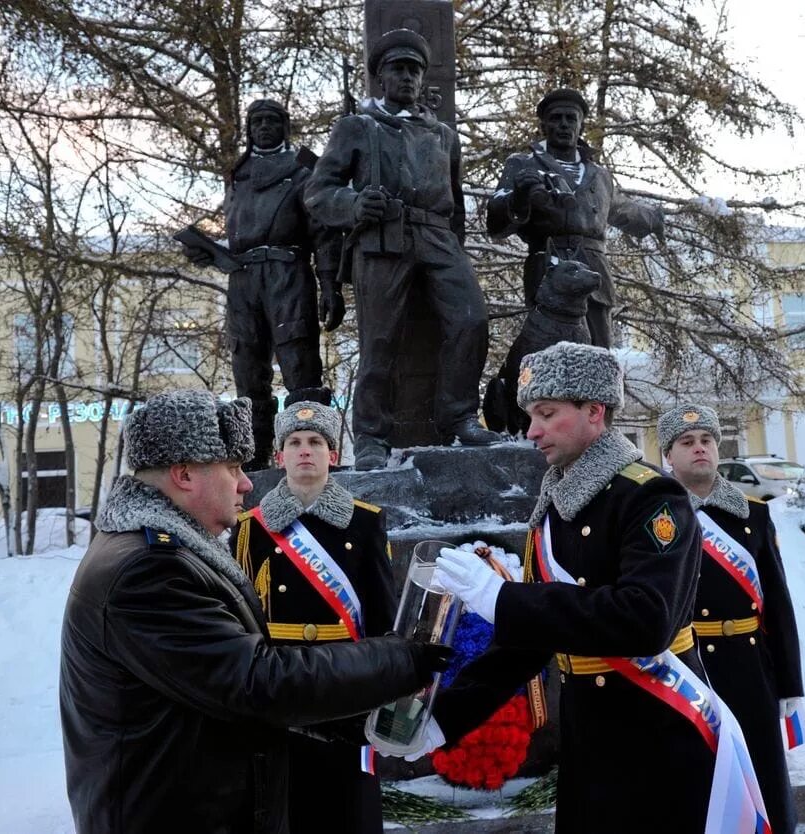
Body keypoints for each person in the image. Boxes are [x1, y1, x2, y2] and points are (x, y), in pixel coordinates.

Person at [60, 389, 449, 834]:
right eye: (232, 468)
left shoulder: (168, 552)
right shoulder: (148, 571)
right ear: (185, 474)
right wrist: (398, 659)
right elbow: (257, 681)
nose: (246, 483)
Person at [389, 341, 718, 832]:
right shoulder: (558, 502)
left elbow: (646, 619)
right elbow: (530, 641)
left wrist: (503, 598)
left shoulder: (650, 496)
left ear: (594, 411)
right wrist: (443, 719)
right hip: (589, 738)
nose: (531, 430)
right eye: (530, 415)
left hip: (655, 731)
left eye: (547, 413)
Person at [305, 28, 500, 470]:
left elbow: (455, 203)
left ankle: (459, 417)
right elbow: (318, 193)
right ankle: (373, 435)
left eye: (414, 69)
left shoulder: (443, 135)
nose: (408, 77)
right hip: (382, 238)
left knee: (471, 319)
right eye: (398, 69)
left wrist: (451, 247)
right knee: (379, 339)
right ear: (381, 77)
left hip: (436, 237)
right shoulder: (356, 127)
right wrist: (354, 204)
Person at [231, 399, 396, 834]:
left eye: (317, 442)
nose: (306, 450)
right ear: (279, 456)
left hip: (348, 685)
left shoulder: (366, 523)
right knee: (290, 805)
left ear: (333, 455)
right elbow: (241, 618)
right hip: (281, 684)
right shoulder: (251, 528)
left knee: (351, 808)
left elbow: (382, 617)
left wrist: (387, 683)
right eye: (296, 442)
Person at [659, 403, 805, 833]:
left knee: (762, 775)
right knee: (695, 776)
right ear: (669, 455)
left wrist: (789, 682)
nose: (699, 449)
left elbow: (778, 603)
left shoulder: (753, 515)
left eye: (706, 440)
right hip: (685, 667)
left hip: (749, 668)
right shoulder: (656, 515)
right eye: (687, 442)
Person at [181, 98, 343, 468]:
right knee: (248, 371)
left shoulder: (304, 171)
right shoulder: (238, 176)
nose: (264, 128)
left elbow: (323, 234)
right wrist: (210, 252)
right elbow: (239, 233)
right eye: (257, 123)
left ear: (284, 127)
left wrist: (330, 284)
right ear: (249, 130)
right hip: (243, 280)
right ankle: (253, 462)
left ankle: (311, 457)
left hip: (288, 274)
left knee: (301, 370)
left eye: (272, 121)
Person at [486, 89, 664, 348]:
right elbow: (496, 222)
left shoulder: (599, 175)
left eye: (571, 118)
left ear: (581, 124)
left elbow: (622, 210)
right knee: (547, 355)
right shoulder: (523, 164)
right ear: (543, 124)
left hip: (593, 271)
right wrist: (519, 197)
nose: (564, 124)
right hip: (549, 269)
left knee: (599, 355)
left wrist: (654, 219)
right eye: (556, 118)